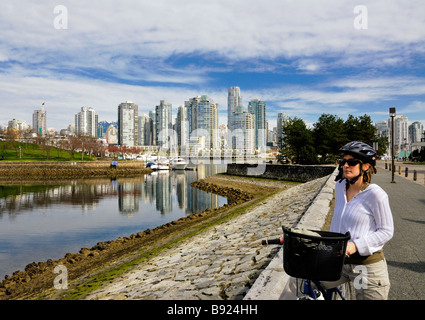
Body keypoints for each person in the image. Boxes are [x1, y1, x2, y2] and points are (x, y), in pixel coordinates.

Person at [323, 141, 394, 300]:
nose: (346, 165)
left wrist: (356, 245)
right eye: (343, 162)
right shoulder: (340, 187)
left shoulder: (375, 194)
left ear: (366, 167)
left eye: (352, 162)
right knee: (304, 282)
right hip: (340, 264)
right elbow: (338, 221)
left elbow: (387, 231)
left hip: (365, 268)